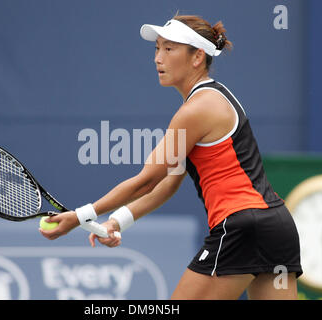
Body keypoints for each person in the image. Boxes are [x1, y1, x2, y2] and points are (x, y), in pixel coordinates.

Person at [40, 14, 303, 300]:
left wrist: (80, 216)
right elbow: (168, 183)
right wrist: (116, 222)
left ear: (197, 57)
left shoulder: (195, 110)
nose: (158, 58)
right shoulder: (215, 99)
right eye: (157, 49)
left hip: (242, 226)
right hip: (276, 228)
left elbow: (147, 181)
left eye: (169, 49)